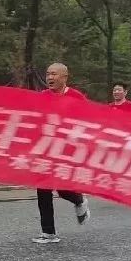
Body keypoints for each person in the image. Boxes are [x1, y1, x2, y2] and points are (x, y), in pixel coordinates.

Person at [32, 62, 92, 244]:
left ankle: (79, 200)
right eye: (48, 74)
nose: (50, 77)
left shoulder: (76, 97)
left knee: (62, 188)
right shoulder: (42, 96)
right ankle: (48, 232)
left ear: (65, 77)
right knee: (43, 189)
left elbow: (87, 122)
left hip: (67, 151)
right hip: (46, 150)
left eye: (54, 74)